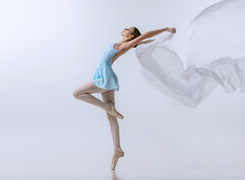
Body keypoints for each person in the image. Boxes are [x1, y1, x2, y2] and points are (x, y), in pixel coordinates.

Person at [72, 26, 177, 170]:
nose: (125, 28)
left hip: (105, 77)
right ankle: (117, 149)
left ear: (130, 36)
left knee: (77, 93)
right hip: (104, 75)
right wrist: (145, 43)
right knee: (111, 116)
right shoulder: (124, 44)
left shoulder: (126, 45)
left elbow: (145, 34)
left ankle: (107, 108)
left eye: (129, 29)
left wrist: (166, 29)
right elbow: (140, 42)